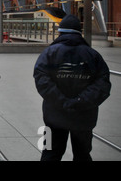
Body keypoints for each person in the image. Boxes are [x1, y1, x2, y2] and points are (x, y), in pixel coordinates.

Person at [33, 14, 111, 161]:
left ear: (60, 31)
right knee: (83, 154)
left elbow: (42, 80)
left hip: (53, 117)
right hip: (84, 118)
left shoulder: (49, 53)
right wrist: (80, 101)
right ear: (78, 32)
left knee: (50, 153)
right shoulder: (93, 55)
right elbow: (103, 84)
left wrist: (62, 101)